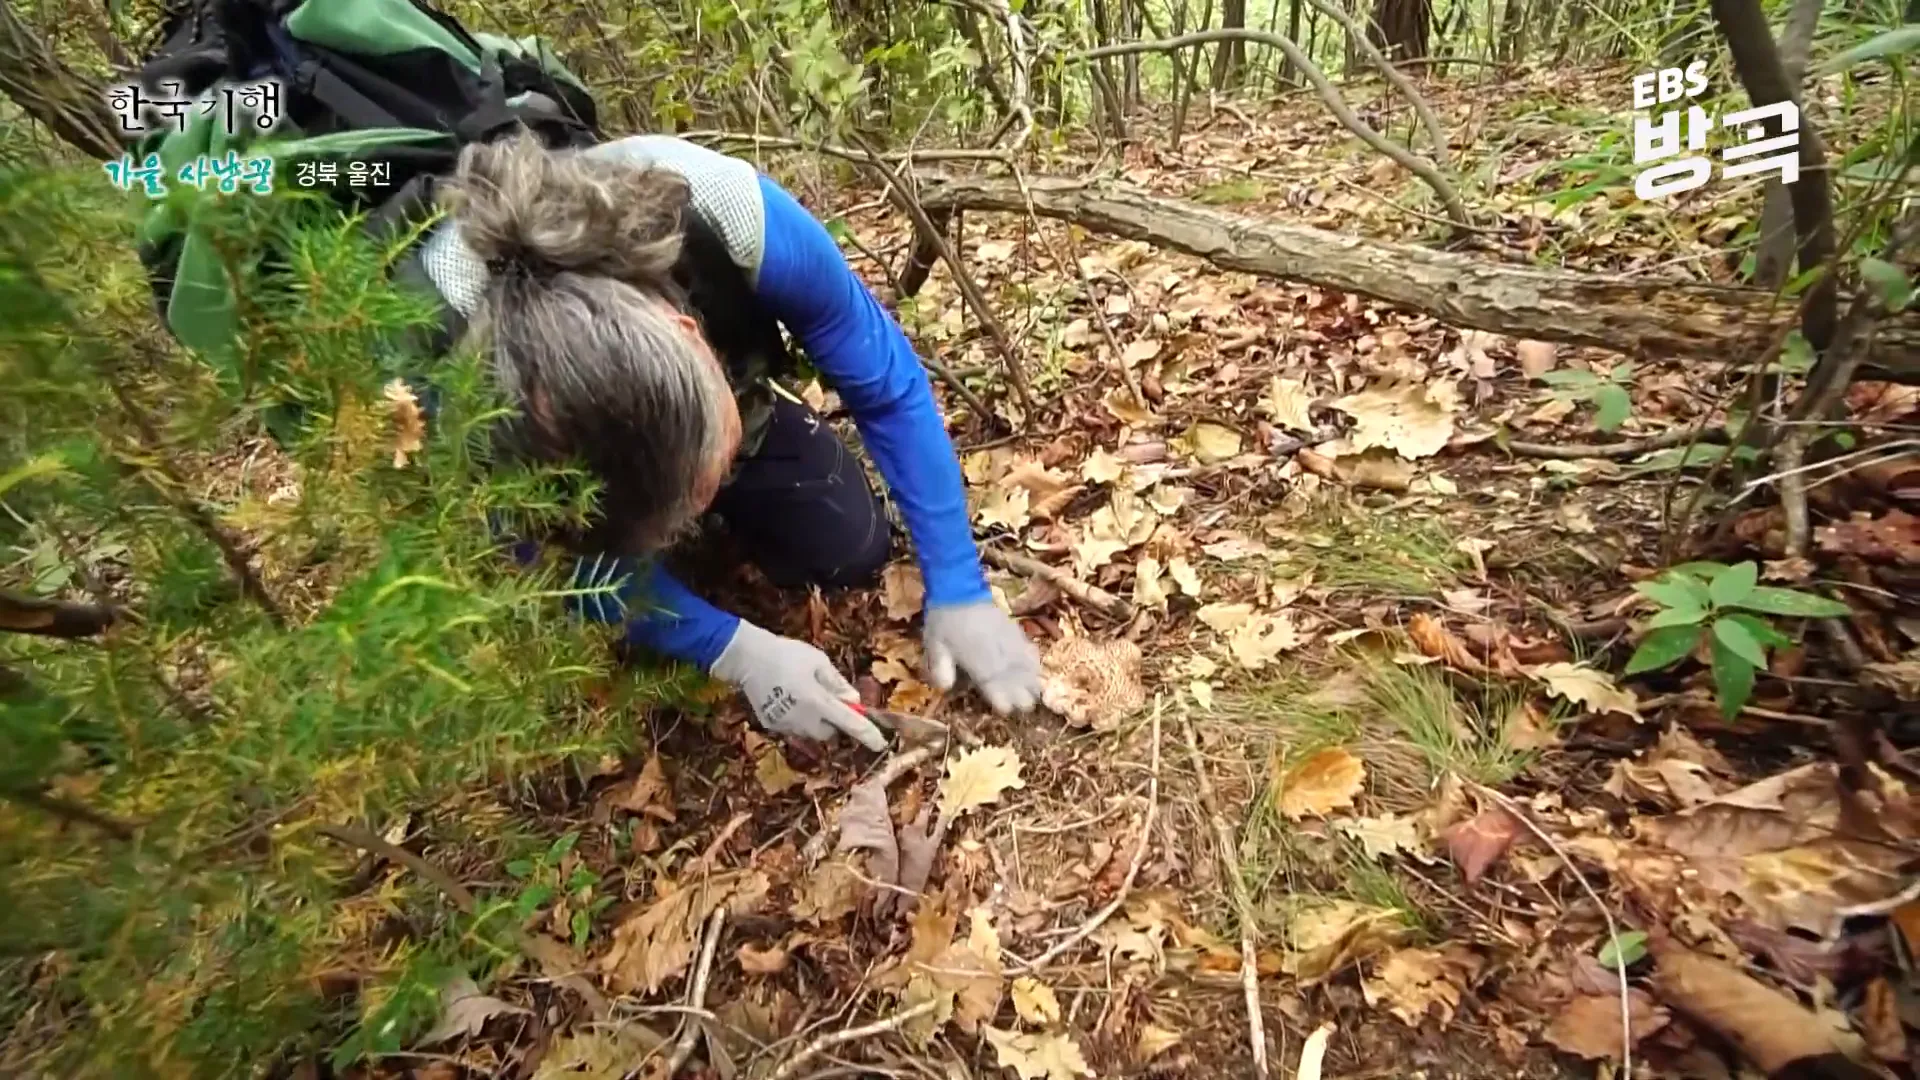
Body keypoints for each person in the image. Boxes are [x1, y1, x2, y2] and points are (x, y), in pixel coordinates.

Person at [401, 130, 1042, 751]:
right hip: (503, 443)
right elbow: (544, 559)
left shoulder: (730, 212)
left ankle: (706, 476)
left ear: (693, 337)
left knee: (849, 547)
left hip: (717, 363)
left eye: (700, 482)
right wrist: (731, 648)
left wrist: (959, 583)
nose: (689, 518)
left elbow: (889, 387)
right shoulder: (439, 391)